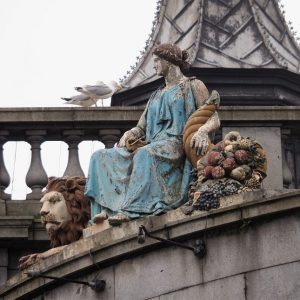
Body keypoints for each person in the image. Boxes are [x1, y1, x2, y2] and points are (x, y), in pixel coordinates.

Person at [85, 43, 220, 225]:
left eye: (157, 60)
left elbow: (214, 118)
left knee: (144, 154)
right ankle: (108, 210)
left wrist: (203, 131)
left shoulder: (193, 86)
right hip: (153, 145)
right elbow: (141, 127)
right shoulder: (155, 95)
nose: (154, 65)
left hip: (175, 145)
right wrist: (129, 132)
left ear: (169, 62)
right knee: (99, 156)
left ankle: (131, 210)